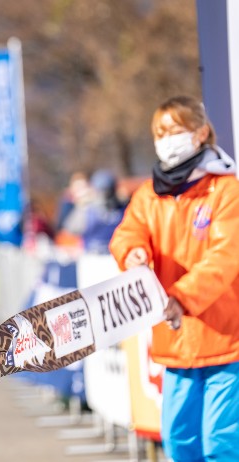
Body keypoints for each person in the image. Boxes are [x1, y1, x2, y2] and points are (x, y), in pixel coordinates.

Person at [109, 95, 239, 461]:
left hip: (225, 339)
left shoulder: (226, 190)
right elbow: (127, 233)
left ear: (200, 134)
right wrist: (132, 253)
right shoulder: (151, 193)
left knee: (221, 444)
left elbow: (226, 257)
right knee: (179, 442)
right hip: (175, 341)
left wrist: (181, 296)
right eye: (159, 132)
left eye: (174, 130)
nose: (165, 139)